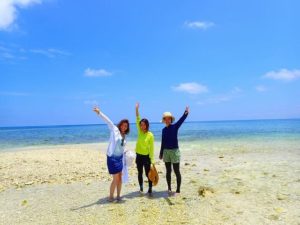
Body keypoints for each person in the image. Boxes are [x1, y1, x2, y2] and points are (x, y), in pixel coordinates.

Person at [93, 106, 130, 202]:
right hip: (112, 158)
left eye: (126, 126)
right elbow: (108, 121)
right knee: (116, 179)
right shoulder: (114, 130)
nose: (124, 127)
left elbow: (122, 147)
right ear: (120, 125)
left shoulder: (125, 136)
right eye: (123, 125)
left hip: (120, 159)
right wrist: (99, 113)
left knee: (120, 178)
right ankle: (110, 197)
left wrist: (128, 153)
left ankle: (118, 196)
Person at [159, 106, 190, 196]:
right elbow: (163, 142)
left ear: (171, 120)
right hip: (166, 152)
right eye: (166, 119)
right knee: (168, 171)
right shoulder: (163, 130)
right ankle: (169, 188)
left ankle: (178, 190)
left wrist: (186, 113)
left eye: (169, 119)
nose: (167, 120)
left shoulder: (175, 127)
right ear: (164, 120)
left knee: (176, 171)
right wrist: (161, 153)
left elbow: (181, 120)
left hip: (175, 151)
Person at [135, 103, 155, 195]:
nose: (142, 126)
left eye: (144, 125)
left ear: (147, 125)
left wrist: (152, 160)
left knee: (148, 174)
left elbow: (152, 149)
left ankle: (150, 188)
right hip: (138, 156)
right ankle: (141, 188)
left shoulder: (150, 135)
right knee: (140, 172)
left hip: (146, 157)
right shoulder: (139, 132)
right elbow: (138, 118)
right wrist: (136, 109)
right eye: (141, 125)